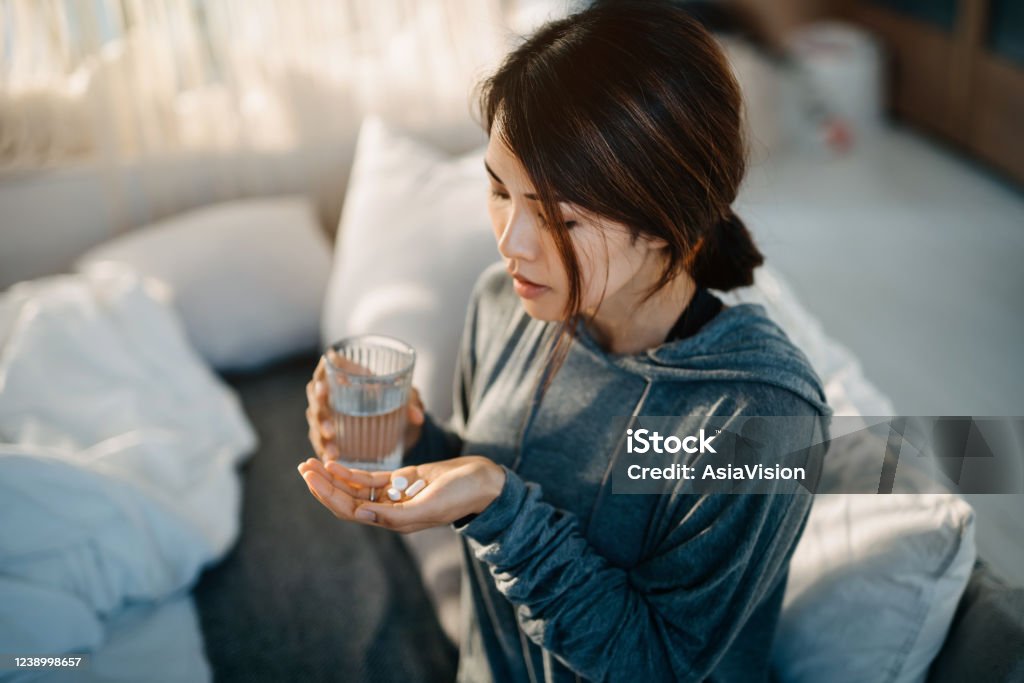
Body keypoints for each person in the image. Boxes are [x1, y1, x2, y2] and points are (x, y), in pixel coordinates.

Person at [297, 3, 832, 681]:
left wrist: (500, 507)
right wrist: (416, 444)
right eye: (499, 191)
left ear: (670, 221)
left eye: (559, 218)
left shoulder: (762, 416)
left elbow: (661, 664)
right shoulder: (504, 304)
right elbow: (497, 465)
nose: (509, 242)